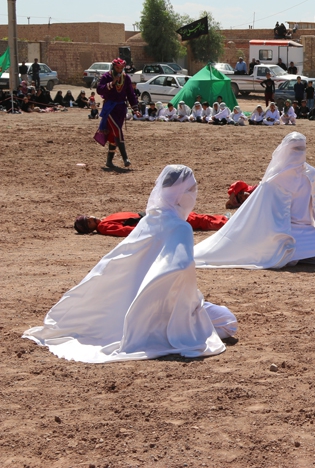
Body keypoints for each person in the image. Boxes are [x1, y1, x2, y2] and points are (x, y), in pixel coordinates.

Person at [23, 165, 234, 363]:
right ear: (182, 194)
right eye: (192, 189)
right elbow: (182, 268)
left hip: (135, 301)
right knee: (227, 321)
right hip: (170, 303)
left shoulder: (150, 219)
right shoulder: (180, 226)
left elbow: (119, 259)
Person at [194, 133, 315, 269]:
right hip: (278, 231)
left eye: (302, 148)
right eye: (295, 148)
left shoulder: (311, 174)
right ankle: (294, 255)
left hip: (305, 231)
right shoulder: (275, 177)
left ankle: (298, 255)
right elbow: (266, 212)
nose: (299, 152)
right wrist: (280, 236)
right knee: (282, 258)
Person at [94, 58, 140, 169]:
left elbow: (131, 94)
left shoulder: (126, 78)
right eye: (117, 68)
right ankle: (125, 158)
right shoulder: (106, 77)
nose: (119, 70)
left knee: (114, 135)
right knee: (118, 131)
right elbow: (99, 90)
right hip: (110, 108)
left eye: (121, 68)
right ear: (113, 67)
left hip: (121, 109)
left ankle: (109, 161)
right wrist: (112, 83)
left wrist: (136, 109)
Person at [74, 208, 228, 237]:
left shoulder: (104, 220)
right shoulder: (104, 226)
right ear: (90, 229)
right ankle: (225, 222)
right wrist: (149, 229)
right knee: (192, 219)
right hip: (150, 222)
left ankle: (223, 219)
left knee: (190, 216)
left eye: (89, 217)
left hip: (149, 217)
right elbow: (125, 231)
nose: (92, 219)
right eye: (89, 223)